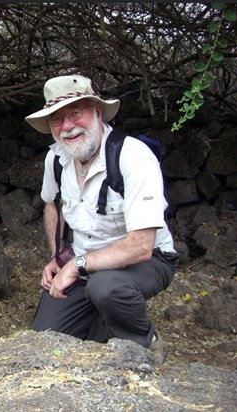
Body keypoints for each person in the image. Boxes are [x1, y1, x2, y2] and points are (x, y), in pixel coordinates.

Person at [24, 74, 179, 365]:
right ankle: (101, 323)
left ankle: (145, 341)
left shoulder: (132, 157)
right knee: (43, 339)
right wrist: (57, 257)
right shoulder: (56, 159)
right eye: (57, 120)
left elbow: (141, 246)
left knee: (106, 288)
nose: (67, 127)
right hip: (85, 260)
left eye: (75, 113)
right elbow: (51, 205)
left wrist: (77, 265)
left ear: (96, 112)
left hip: (147, 260)